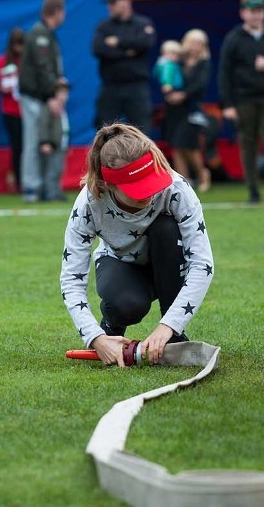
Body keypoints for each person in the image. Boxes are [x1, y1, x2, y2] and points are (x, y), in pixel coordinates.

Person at [59, 123, 214, 367]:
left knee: (166, 227)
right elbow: (71, 280)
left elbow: (202, 263)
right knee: (127, 305)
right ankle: (111, 327)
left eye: (150, 182)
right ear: (108, 183)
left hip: (170, 264)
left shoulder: (176, 188)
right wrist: (95, 338)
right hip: (120, 263)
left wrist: (169, 326)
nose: (149, 193)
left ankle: (173, 337)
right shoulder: (88, 205)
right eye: (136, 189)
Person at [218, 0, 264, 203]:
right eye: (252, 11)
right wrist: (227, 105)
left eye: (259, 11)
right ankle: (253, 191)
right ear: (243, 14)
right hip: (243, 99)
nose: (256, 15)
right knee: (248, 145)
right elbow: (224, 72)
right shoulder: (234, 38)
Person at [19, 0, 69, 203]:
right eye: (62, 11)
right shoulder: (39, 34)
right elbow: (43, 68)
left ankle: (44, 186)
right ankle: (31, 187)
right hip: (35, 97)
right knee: (32, 141)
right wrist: (51, 95)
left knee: (45, 140)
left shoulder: (46, 34)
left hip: (42, 96)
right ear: (56, 11)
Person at [92, 0, 156, 132]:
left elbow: (146, 43)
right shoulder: (104, 26)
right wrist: (129, 51)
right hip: (111, 86)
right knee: (105, 130)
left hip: (136, 86)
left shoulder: (142, 23)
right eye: (109, 3)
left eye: (114, 3)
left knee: (142, 130)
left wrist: (118, 42)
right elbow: (98, 49)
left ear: (126, 2)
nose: (110, 7)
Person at [161, 29, 212, 193]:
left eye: (200, 43)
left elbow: (200, 85)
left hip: (192, 109)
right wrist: (169, 93)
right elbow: (166, 75)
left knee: (190, 146)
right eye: (193, 42)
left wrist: (183, 95)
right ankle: (183, 180)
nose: (196, 47)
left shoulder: (204, 63)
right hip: (174, 109)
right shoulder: (177, 61)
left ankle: (202, 174)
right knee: (176, 145)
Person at [0, 27, 25, 192]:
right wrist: (3, 88)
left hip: (27, 110)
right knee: (16, 147)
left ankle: (27, 179)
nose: (19, 49)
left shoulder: (27, 60)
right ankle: (18, 181)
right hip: (10, 111)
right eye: (16, 45)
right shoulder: (3, 60)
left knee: (28, 146)